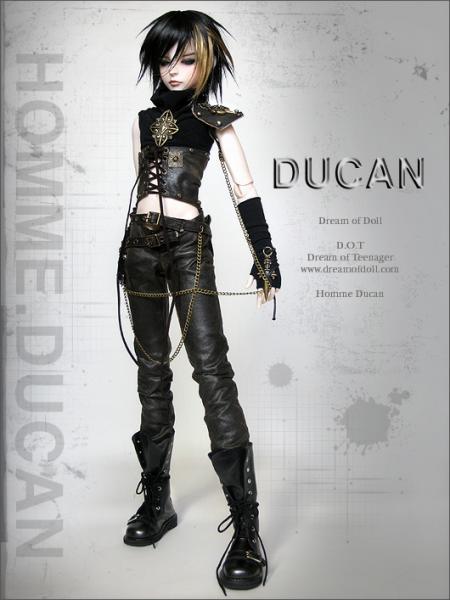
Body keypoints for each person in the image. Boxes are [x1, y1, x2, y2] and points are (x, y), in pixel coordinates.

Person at [116, 9, 281, 595]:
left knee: (211, 370)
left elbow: (244, 189)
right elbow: (139, 186)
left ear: (206, 61)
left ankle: (246, 527)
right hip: (139, 248)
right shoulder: (141, 120)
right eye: (166, 60)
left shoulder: (215, 120)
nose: (175, 70)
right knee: (151, 370)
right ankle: (157, 500)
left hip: (189, 246)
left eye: (186, 59)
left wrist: (265, 256)